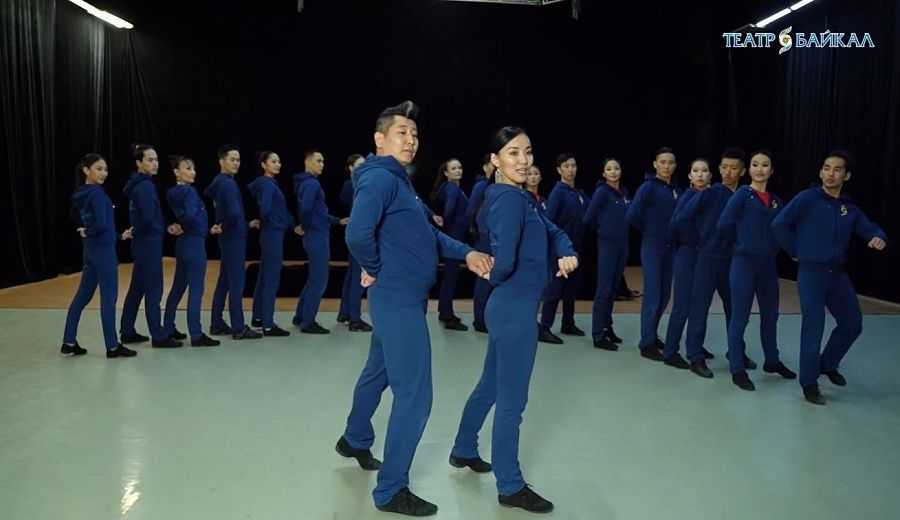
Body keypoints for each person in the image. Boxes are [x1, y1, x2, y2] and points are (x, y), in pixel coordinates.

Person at [335, 101, 492, 517]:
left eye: (415, 134)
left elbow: (429, 235)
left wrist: (467, 253)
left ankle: (354, 438)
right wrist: (373, 268)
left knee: (379, 371)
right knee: (416, 395)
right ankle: (390, 490)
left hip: (402, 298)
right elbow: (357, 234)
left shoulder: (398, 181)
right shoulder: (379, 179)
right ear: (379, 139)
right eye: (401, 132)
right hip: (397, 299)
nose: (410, 140)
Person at [452, 126, 577, 514]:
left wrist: (566, 250)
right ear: (495, 160)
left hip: (511, 306)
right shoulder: (508, 200)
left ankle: (463, 448)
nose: (523, 160)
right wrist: (499, 274)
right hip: (514, 310)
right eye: (512, 153)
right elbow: (503, 259)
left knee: (490, 386)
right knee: (512, 402)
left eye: (527, 151)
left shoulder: (521, 197)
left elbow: (553, 229)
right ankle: (510, 485)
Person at [772, 150, 888, 405]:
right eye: (826, 168)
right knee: (814, 325)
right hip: (811, 274)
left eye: (837, 169)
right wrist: (795, 250)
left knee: (852, 323)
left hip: (837, 274)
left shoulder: (849, 208)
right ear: (820, 171)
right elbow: (779, 224)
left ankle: (827, 363)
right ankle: (809, 383)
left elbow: (869, 228)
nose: (830, 174)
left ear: (846, 175)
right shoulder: (807, 198)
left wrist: (878, 237)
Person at [717, 150, 796, 391]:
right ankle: (737, 368)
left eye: (764, 165)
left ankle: (772, 360)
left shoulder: (775, 200)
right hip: (744, 264)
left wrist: (793, 250)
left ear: (771, 170)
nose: (759, 169)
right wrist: (741, 244)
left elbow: (783, 228)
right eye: (755, 164)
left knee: (771, 314)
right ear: (749, 169)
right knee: (740, 317)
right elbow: (723, 224)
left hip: (767, 266)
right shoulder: (742, 195)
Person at [674, 148, 750, 378]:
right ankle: (695, 357)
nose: (728, 172)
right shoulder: (711, 193)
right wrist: (699, 241)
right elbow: (681, 219)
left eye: (733, 168)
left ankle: (737, 353)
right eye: (724, 167)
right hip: (707, 259)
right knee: (699, 309)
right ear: (719, 169)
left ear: (742, 171)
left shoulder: (745, 196)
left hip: (733, 261)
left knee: (735, 309)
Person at [62, 153, 136, 358]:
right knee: (108, 300)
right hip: (104, 253)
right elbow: (101, 225)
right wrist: (89, 232)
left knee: (82, 297)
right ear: (86, 170)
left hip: (90, 251)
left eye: (105, 169)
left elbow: (95, 224)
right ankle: (112, 346)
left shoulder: (81, 193)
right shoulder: (97, 194)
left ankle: (68, 341)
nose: (103, 173)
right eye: (99, 169)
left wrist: (120, 236)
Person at [119, 143, 183, 348]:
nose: (155, 164)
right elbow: (148, 218)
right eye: (150, 160)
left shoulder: (138, 184)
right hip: (149, 242)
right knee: (154, 289)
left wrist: (164, 225)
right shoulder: (146, 186)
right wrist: (157, 227)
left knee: (137, 288)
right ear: (139, 163)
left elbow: (149, 216)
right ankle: (158, 335)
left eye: (156, 160)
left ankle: (127, 330)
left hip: (142, 242)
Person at [625, 147, 682, 360]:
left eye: (670, 162)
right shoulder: (648, 187)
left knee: (665, 295)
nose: (666, 166)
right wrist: (650, 231)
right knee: (653, 294)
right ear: (655, 164)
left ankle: (653, 333)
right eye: (663, 162)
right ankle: (646, 343)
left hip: (671, 248)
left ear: (675, 165)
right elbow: (632, 214)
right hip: (652, 246)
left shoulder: (676, 190)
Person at [205, 144, 262, 340]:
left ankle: (216, 323)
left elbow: (227, 212)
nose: (236, 163)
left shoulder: (219, 182)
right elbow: (234, 213)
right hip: (234, 237)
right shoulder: (228, 184)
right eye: (232, 160)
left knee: (225, 281)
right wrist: (236, 225)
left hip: (228, 236)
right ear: (222, 161)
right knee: (237, 283)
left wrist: (241, 223)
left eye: (238, 160)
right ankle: (239, 327)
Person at [162, 156, 220, 347]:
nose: (192, 172)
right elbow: (190, 216)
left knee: (178, 288)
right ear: (176, 172)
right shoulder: (189, 192)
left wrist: (205, 229)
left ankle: (168, 328)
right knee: (196, 290)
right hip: (194, 245)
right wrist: (186, 226)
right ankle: (196, 334)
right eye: (187, 168)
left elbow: (185, 218)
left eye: (193, 168)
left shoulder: (172, 192)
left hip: (183, 244)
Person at [660, 159, 711, 368]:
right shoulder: (687, 197)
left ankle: (695, 346)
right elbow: (676, 224)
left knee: (699, 305)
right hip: (688, 254)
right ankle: (670, 351)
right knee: (682, 305)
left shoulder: (711, 197)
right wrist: (696, 240)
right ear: (689, 176)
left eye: (704, 170)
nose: (700, 174)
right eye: (695, 171)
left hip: (705, 257)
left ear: (710, 175)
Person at [292, 150, 348, 334]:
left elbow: (317, 212)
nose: (322, 164)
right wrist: (305, 225)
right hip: (317, 236)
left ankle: (300, 316)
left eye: (323, 161)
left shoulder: (305, 183)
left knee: (313, 279)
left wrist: (338, 221)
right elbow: (306, 209)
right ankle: (308, 322)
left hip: (313, 235)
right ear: (307, 162)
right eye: (318, 161)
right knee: (320, 280)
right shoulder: (312, 183)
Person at [248, 151, 303, 336]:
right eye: (273, 161)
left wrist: (293, 225)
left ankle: (258, 317)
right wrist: (267, 222)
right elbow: (265, 209)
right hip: (272, 234)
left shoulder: (270, 184)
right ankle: (268, 324)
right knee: (271, 279)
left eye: (279, 161)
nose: (278, 164)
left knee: (264, 276)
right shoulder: (267, 184)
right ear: (264, 165)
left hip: (272, 233)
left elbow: (280, 209)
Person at [538, 153, 588, 344]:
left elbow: (591, 213)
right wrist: (555, 248)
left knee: (572, 288)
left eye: (573, 165)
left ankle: (568, 322)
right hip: (560, 249)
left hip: (577, 246)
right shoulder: (557, 193)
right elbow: (549, 222)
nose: (571, 169)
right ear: (559, 170)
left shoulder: (579, 193)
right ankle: (544, 328)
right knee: (555, 288)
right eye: (566, 166)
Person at [583, 158, 630, 350]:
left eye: (616, 168)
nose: (613, 171)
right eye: (609, 169)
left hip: (623, 245)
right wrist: (603, 230)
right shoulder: (601, 192)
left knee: (613, 288)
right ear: (603, 173)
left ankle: (607, 326)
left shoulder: (624, 193)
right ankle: (598, 334)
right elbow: (588, 218)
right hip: (608, 245)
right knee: (604, 289)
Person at [432, 158, 470, 330]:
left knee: (449, 277)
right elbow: (449, 211)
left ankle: (444, 311)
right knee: (450, 278)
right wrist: (449, 228)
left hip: (452, 235)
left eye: (459, 167)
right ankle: (447, 316)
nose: (458, 170)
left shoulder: (447, 188)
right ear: (446, 172)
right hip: (454, 236)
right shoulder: (452, 189)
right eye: (453, 168)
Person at [337, 153, 373, 332]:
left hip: (355, 233)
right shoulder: (353, 185)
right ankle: (355, 319)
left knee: (352, 275)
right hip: (361, 234)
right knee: (358, 276)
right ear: (351, 168)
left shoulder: (357, 184)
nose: (363, 168)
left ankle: (345, 312)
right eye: (359, 166)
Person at [467, 153, 496, 333]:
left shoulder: (501, 187)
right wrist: (479, 231)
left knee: (494, 278)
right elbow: (470, 212)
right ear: (486, 167)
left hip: (496, 237)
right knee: (484, 277)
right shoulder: (481, 186)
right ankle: (480, 320)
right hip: (483, 236)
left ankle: (490, 317)